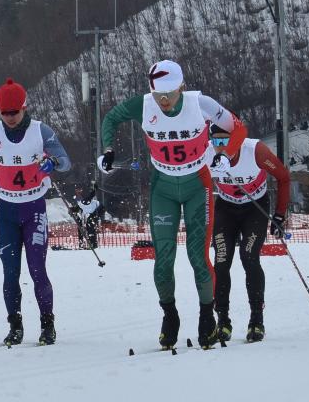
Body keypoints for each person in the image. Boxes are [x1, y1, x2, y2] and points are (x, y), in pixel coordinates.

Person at [98, 59, 245, 350]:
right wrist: (108, 150)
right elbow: (111, 118)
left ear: (182, 88)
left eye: (169, 94)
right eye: (157, 95)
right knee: (163, 259)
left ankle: (206, 316)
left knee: (198, 256)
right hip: (162, 187)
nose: (163, 101)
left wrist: (226, 153)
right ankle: (170, 316)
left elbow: (237, 127)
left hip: (197, 185)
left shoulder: (199, 103)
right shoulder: (143, 105)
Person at [0, 78, 73, 346]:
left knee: (37, 269)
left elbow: (66, 162)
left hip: (34, 210)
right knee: (10, 273)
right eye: (4, 113)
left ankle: (47, 325)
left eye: (15, 112)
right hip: (7, 211)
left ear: (24, 107)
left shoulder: (41, 131)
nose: (9, 118)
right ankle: (15, 326)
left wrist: (53, 162)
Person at [210, 134, 293, 344]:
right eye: (216, 142)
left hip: (254, 209)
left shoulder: (256, 151)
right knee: (221, 261)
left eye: (226, 141)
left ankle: (256, 318)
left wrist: (280, 214)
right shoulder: (207, 152)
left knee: (248, 256)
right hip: (225, 209)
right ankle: (222, 320)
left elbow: (283, 177)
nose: (221, 147)